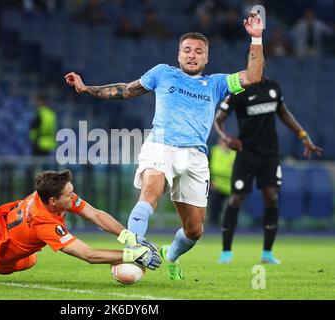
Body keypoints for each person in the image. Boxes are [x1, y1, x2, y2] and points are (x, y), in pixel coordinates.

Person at [65, 11, 264, 280]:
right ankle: (134, 246)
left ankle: (170, 255)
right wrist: (87, 89)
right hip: (161, 145)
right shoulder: (162, 73)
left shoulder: (216, 83)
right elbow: (126, 89)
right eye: (187, 50)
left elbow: (252, 77)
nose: (192, 55)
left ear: (206, 57)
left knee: (194, 231)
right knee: (150, 193)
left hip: (195, 156)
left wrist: (256, 38)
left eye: (198, 51)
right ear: (178, 55)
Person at [0, 170, 161, 276]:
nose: (74, 197)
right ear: (54, 201)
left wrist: (129, 237)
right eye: (69, 194)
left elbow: (95, 215)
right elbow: (88, 255)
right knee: (8, 265)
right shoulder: (45, 224)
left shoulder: (49, 195)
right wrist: (133, 255)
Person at [214, 55, 323, 265]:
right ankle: (226, 252)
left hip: (270, 154)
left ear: (264, 65)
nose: (255, 64)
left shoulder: (273, 87)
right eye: (251, 60)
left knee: (271, 197)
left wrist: (303, 135)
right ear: (247, 64)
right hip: (246, 153)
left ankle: (267, 253)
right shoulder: (239, 90)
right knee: (236, 198)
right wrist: (226, 138)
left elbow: (284, 113)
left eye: (259, 61)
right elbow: (219, 120)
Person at [208, 138, 236, 227]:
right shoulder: (214, 151)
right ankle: (213, 227)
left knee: (232, 208)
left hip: (231, 186)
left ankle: (230, 226)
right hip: (216, 186)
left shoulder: (235, 153)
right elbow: (206, 166)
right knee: (214, 208)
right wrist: (211, 181)